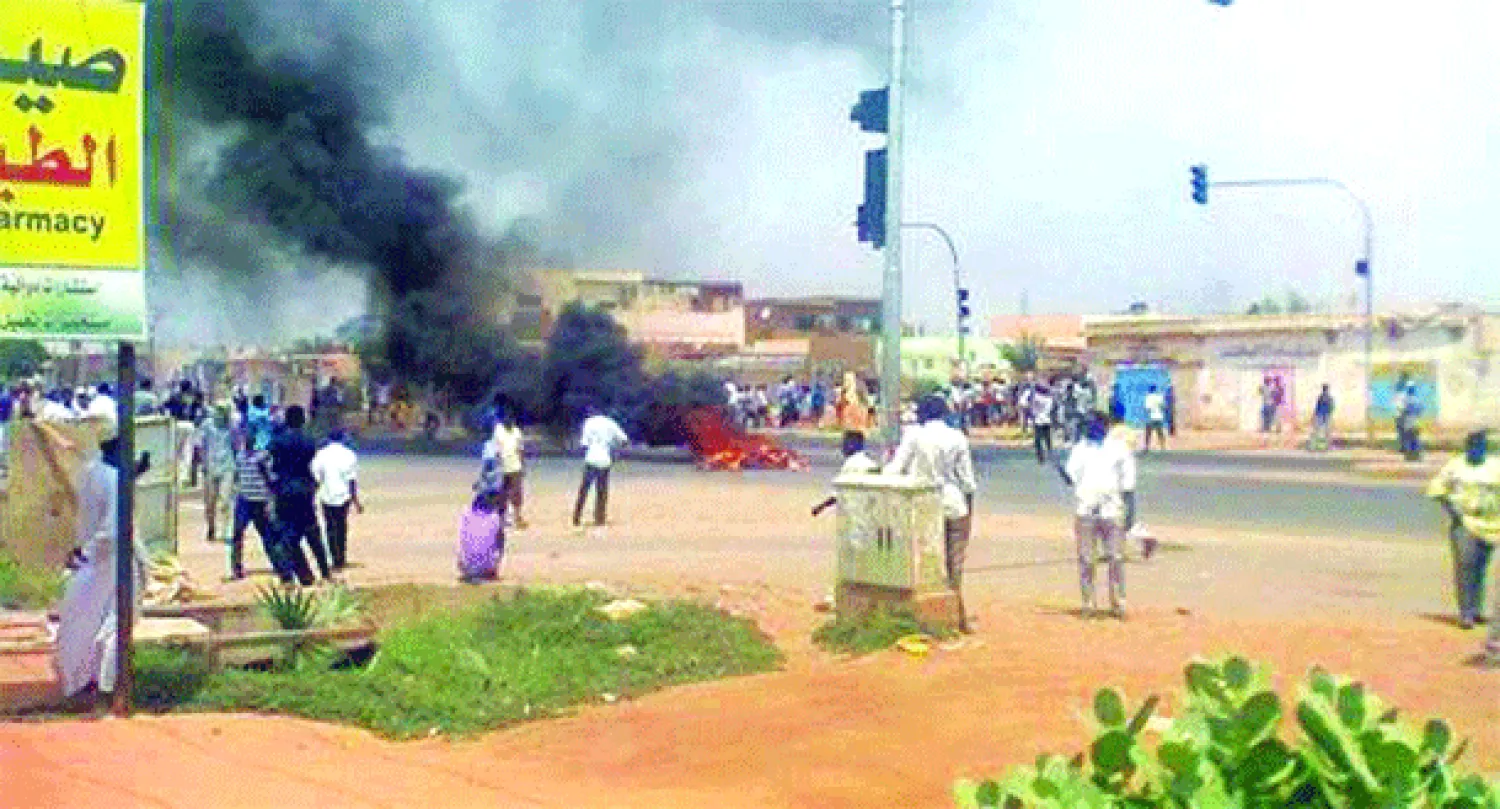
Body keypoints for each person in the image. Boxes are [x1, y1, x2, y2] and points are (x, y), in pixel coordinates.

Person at [56, 423, 152, 706]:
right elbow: (113, 528)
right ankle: (110, 691)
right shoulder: (113, 479)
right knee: (115, 625)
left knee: (83, 623)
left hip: (91, 562)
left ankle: (84, 685)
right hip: (112, 559)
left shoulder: (90, 472)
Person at [885, 395, 979, 633]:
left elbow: (895, 469)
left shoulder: (915, 436)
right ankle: (958, 617)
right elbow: (968, 482)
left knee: (926, 564)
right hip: (955, 504)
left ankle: (928, 619)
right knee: (954, 565)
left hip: (925, 505)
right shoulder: (957, 437)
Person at [1062, 412, 1137, 619]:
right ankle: (1088, 603)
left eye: (1093, 425)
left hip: (1112, 510)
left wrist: (1130, 513)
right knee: (1086, 559)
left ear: (1104, 427)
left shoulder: (1119, 449)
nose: (1089, 429)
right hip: (1086, 510)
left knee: (1116, 558)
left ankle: (1118, 603)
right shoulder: (1080, 449)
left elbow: (1128, 484)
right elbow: (1071, 476)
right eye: (1087, 425)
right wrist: (1061, 471)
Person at [1426, 430, 1499, 630]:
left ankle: (1476, 610)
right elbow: (1436, 490)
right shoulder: (1455, 467)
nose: (1476, 451)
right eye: (1472, 447)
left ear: (1486, 448)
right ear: (1467, 448)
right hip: (1464, 523)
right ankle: (1465, 613)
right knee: (1465, 566)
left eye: (1480, 447)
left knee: (1480, 568)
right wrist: (1453, 511)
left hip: (1490, 525)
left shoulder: (1495, 467)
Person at [268, 405, 332, 585]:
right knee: (312, 533)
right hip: (305, 489)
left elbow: (268, 462)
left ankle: (298, 574)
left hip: (284, 489)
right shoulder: (309, 442)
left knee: (288, 535)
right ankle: (325, 572)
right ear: (303, 420)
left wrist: (271, 484)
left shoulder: (277, 441)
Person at [312, 428, 363, 574]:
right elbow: (351, 480)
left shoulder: (321, 454)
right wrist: (356, 501)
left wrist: (313, 496)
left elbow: (317, 477)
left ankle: (333, 556)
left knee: (329, 526)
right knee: (341, 526)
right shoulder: (349, 454)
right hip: (343, 495)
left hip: (326, 494)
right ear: (342, 438)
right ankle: (340, 557)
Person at [227, 429, 276, 581]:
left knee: (267, 534)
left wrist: (270, 498)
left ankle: (279, 563)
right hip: (244, 499)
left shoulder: (262, 456)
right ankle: (236, 568)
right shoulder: (240, 457)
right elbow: (237, 477)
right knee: (237, 534)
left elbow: (269, 478)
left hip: (259, 500)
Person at [573, 405, 629, 527]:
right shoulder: (610, 423)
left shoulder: (589, 423)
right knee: (602, 491)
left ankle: (577, 516)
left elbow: (584, 444)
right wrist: (615, 451)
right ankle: (599, 518)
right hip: (605, 460)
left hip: (591, 459)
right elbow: (624, 440)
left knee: (584, 490)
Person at [811, 430, 881, 516]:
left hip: (855, 512)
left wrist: (821, 507)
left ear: (852, 445)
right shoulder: (871, 464)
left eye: (844, 444)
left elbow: (839, 493)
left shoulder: (850, 465)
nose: (842, 448)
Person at [200, 404, 236, 543]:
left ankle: (225, 530)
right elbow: (202, 444)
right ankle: (211, 527)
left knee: (225, 499)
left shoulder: (232, 426)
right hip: (211, 465)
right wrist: (201, 463)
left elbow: (236, 445)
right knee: (210, 501)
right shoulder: (208, 425)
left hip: (228, 465)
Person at [457, 486, 506, 583]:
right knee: (500, 537)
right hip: (486, 569)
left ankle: (471, 568)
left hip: (465, 567)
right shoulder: (494, 517)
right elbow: (499, 542)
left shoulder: (466, 513)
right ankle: (492, 570)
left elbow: (462, 539)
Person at [491, 410, 528, 528]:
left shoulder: (517, 432)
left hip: (515, 467)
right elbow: (496, 450)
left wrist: (523, 465)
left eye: (511, 420)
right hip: (503, 467)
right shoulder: (498, 431)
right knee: (502, 494)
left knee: (517, 493)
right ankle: (501, 518)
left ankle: (517, 517)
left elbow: (520, 449)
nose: (509, 421)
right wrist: (497, 465)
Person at [1030, 384, 1055, 464]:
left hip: (1040, 421)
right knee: (1047, 439)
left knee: (1038, 440)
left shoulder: (1038, 397)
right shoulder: (1049, 399)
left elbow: (1033, 407)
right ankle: (1050, 455)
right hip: (1045, 420)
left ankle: (1041, 457)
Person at [1142, 385, 1168, 452]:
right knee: (1160, 432)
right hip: (1159, 417)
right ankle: (1163, 446)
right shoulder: (1159, 397)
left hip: (1151, 417)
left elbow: (1147, 408)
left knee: (1148, 432)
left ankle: (1146, 447)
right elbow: (1164, 406)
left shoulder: (1148, 397)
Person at [1309, 385, 1335, 452]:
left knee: (1316, 431)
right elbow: (1332, 408)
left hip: (1320, 415)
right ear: (1328, 389)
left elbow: (1317, 408)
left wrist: (1314, 416)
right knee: (1327, 432)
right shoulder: (1329, 398)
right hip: (1326, 415)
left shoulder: (1320, 397)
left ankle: (1313, 446)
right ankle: (1328, 446)